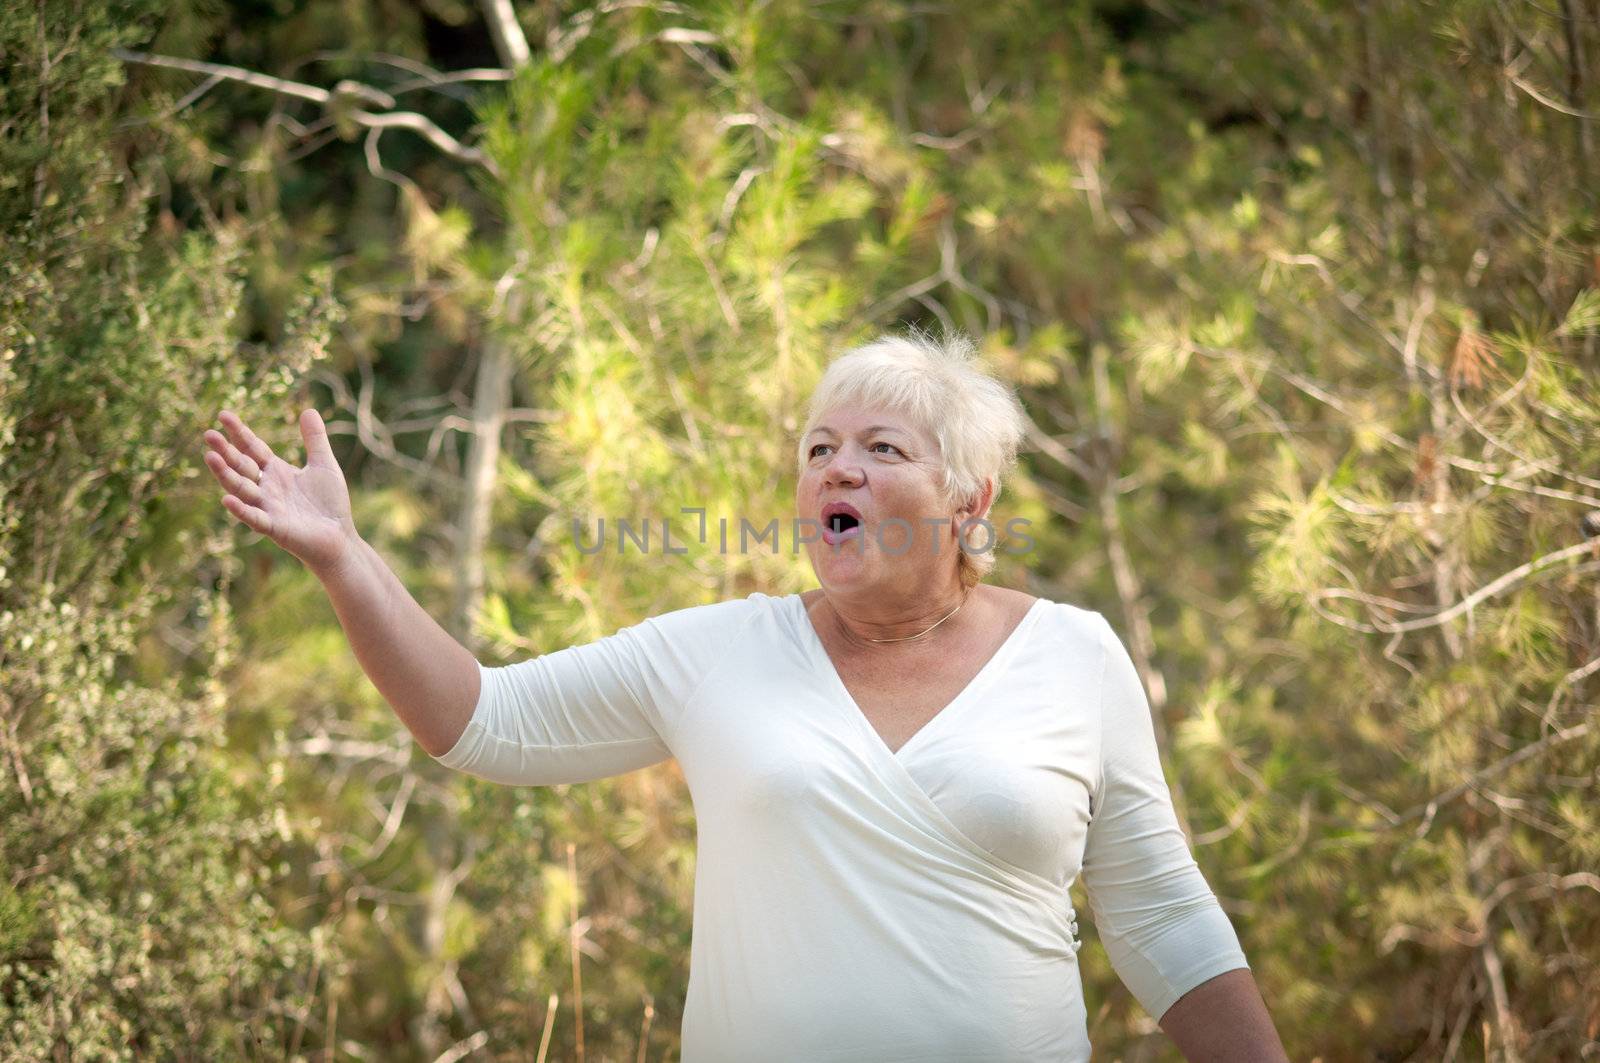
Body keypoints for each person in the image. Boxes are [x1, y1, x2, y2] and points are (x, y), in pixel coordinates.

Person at [201, 326, 1289, 1061]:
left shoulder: (1074, 655)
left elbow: (1162, 921)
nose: (836, 468)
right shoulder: (719, 653)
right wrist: (346, 556)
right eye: (819, 448)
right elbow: (477, 718)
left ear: (967, 499)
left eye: (879, 447)